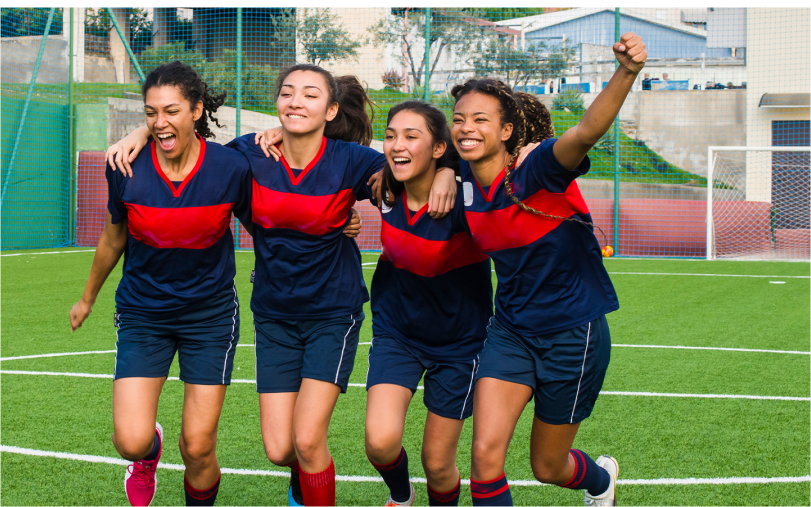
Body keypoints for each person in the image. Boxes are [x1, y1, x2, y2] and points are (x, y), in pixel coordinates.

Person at [108, 63, 458, 507]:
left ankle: (342, 488)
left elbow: (413, 165)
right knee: (280, 450)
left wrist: (447, 170)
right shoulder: (248, 155)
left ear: (331, 110)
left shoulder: (353, 161)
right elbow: (186, 143)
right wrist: (140, 134)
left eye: (310, 95)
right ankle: (300, 481)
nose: (296, 101)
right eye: (287, 93)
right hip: (273, 314)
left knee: (308, 441)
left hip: (333, 313)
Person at [450, 32, 647, 506]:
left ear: (506, 131)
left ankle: (599, 481)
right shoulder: (458, 178)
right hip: (511, 331)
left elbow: (585, 133)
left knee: (548, 467)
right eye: (458, 120)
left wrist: (626, 71)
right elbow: (397, 158)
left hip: (571, 334)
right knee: (484, 455)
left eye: (481, 119)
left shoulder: (536, 169)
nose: (466, 128)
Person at [70, 61, 253, 507]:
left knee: (197, 446)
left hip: (209, 317)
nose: (159, 122)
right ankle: (148, 455)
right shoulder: (125, 166)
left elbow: (268, 223)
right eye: (151, 113)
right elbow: (114, 237)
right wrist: (87, 297)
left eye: (171, 111)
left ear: (195, 111)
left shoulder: (230, 167)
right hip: (142, 314)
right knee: (130, 440)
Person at [364, 101, 493, 507]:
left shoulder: (465, 201)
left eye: (411, 136)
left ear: (438, 147)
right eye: (390, 135)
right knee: (380, 444)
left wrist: (452, 171)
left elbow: (495, 159)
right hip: (397, 333)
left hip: (459, 345)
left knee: (438, 464)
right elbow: (325, 152)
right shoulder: (382, 188)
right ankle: (401, 497)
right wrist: (280, 132)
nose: (396, 145)